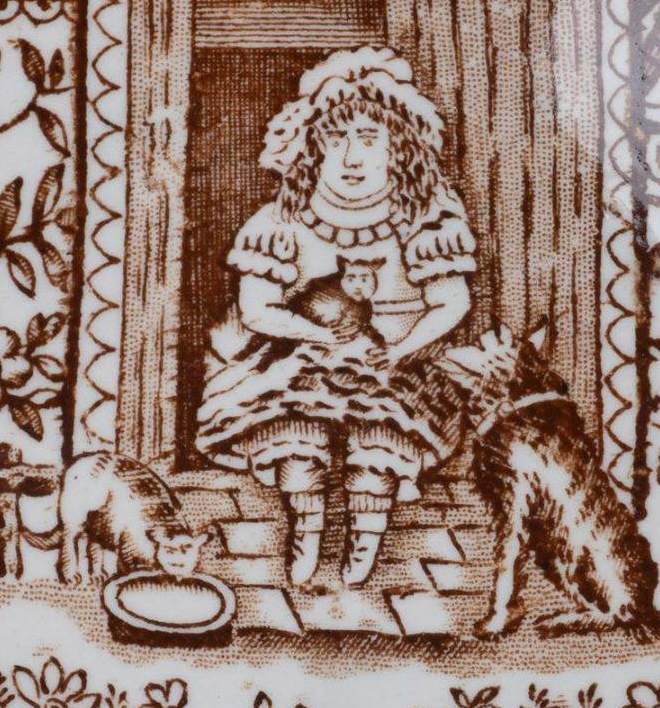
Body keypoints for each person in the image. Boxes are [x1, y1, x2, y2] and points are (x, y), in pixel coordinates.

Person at [195, 47, 475, 587]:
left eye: (368, 139)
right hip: (305, 353)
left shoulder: (428, 218)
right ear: (311, 147)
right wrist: (317, 338)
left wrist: (397, 351)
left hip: (400, 360)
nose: (351, 157)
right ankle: (307, 527)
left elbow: (451, 303)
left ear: (399, 148)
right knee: (298, 435)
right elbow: (257, 309)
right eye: (335, 139)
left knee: (377, 445)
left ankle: (365, 538)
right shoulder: (281, 221)